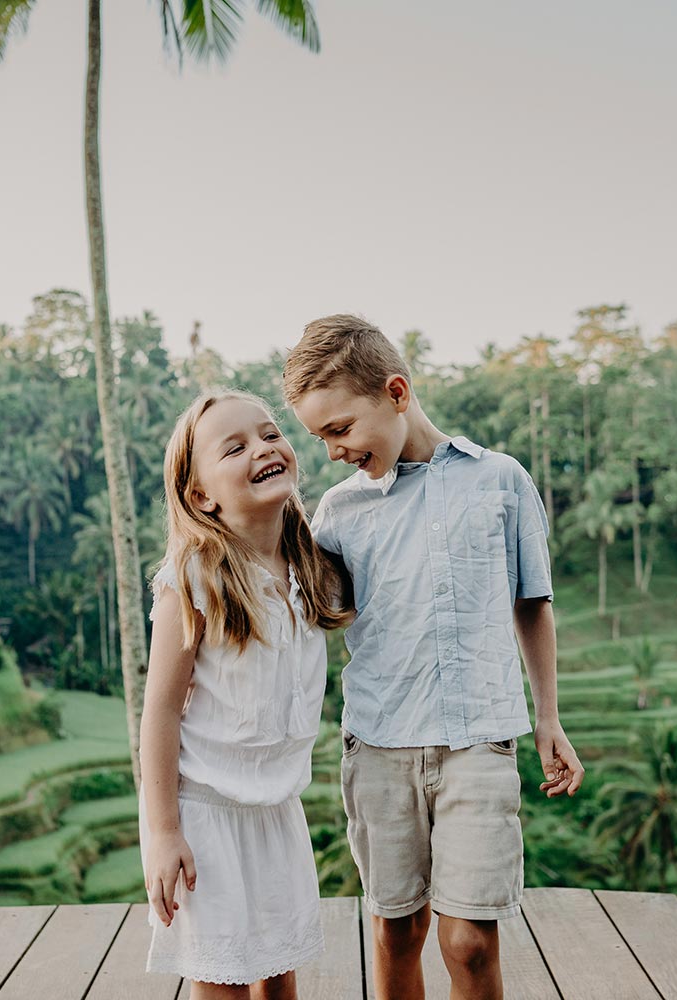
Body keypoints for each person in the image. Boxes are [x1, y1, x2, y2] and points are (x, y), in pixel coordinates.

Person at [282, 314, 585, 1000]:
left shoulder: (501, 481)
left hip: (479, 737)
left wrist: (549, 718)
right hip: (380, 743)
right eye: (319, 436)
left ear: (396, 392)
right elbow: (315, 614)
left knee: (469, 940)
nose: (332, 450)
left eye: (339, 430)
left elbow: (531, 603)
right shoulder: (337, 512)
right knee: (397, 931)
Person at [139, 389, 352, 998]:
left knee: (279, 973)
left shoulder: (313, 566)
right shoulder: (194, 577)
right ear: (201, 494)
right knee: (223, 978)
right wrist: (163, 832)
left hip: (275, 807)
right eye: (235, 447)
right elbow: (160, 710)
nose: (262, 448)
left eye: (269, 434)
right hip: (203, 810)